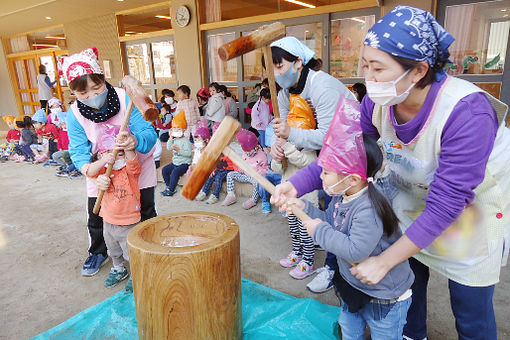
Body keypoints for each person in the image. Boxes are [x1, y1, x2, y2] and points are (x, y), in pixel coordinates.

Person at [272, 6, 510, 340]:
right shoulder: (377, 102)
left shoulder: (468, 113)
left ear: (418, 71)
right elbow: (342, 155)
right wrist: (296, 185)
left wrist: (383, 261)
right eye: (365, 65)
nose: (368, 77)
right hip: (413, 195)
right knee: (409, 284)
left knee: (469, 307)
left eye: (378, 68)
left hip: (470, 214)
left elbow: (447, 203)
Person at [286, 96, 414, 339]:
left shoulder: (368, 208)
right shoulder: (341, 195)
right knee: (350, 332)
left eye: (326, 172)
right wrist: (304, 208)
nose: (320, 177)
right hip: (351, 285)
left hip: (384, 297)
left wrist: (318, 231)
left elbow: (355, 251)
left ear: (353, 178)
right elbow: (331, 222)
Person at [63, 47, 157, 277]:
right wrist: (88, 168)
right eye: (83, 94)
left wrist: (135, 140)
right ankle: (98, 251)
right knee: (98, 216)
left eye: (96, 88)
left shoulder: (127, 98)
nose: (92, 96)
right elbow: (78, 151)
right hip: (101, 173)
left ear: (103, 79)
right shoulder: (74, 114)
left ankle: (151, 251)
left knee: (144, 211)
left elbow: (149, 132)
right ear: (74, 93)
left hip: (136, 168)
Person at [84, 125, 142, 293]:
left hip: (129, 221)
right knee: (113, 249)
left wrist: (127, 147)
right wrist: (104, 160)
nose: (117, 156)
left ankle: (135, 275)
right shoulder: (103, 170)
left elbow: (134, 164)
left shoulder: (129, 171)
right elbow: (89, 171)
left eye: (120, 153)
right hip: (108, 219)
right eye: (111, 152)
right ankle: (118, 269)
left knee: (130, 252)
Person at [272, 93, 318, 279]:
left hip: (306, 200)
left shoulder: (309, 149)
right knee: (293, 228)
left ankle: (308, 261)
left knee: (306, 231)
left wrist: (288, 148)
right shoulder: (288, 147)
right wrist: (277, 156)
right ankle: (297, 252)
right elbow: (277, 169)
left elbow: (303, 162)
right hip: (288, 198)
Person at [222, 129, 268, 210]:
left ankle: (253, 200)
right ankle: (231, 195)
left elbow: (265, 169)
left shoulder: (262, 155)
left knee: (257, 183)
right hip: (245, 175)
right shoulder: (245, 154)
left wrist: (258, 173)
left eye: (249, 151)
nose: (248, 154)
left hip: (255, 177)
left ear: (256, 147)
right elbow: (242, 163)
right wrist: (240, 168)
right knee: (230, 174)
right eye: (246, 152)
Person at [195, 123, 238, 204]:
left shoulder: (229, 149)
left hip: (228, 170)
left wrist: (236, 171)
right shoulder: (214, 149)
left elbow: (234, 160)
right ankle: (204, 192)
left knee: (218, 177)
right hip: (218, 169)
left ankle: (215, 195)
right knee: (210, 176)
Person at [161, 111, 192, 197]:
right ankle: (169, 186)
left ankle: (171, 190)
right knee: (164, 170)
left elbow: (189, 153)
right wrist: (170, 137)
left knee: (175, 172)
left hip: (184, 163)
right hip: (175, 162)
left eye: (178, 129)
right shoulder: (175, 139)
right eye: (174, 129)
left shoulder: (186, 141)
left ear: (183, 130)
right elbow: (168, 147)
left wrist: (179, 150)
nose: (176, 131)